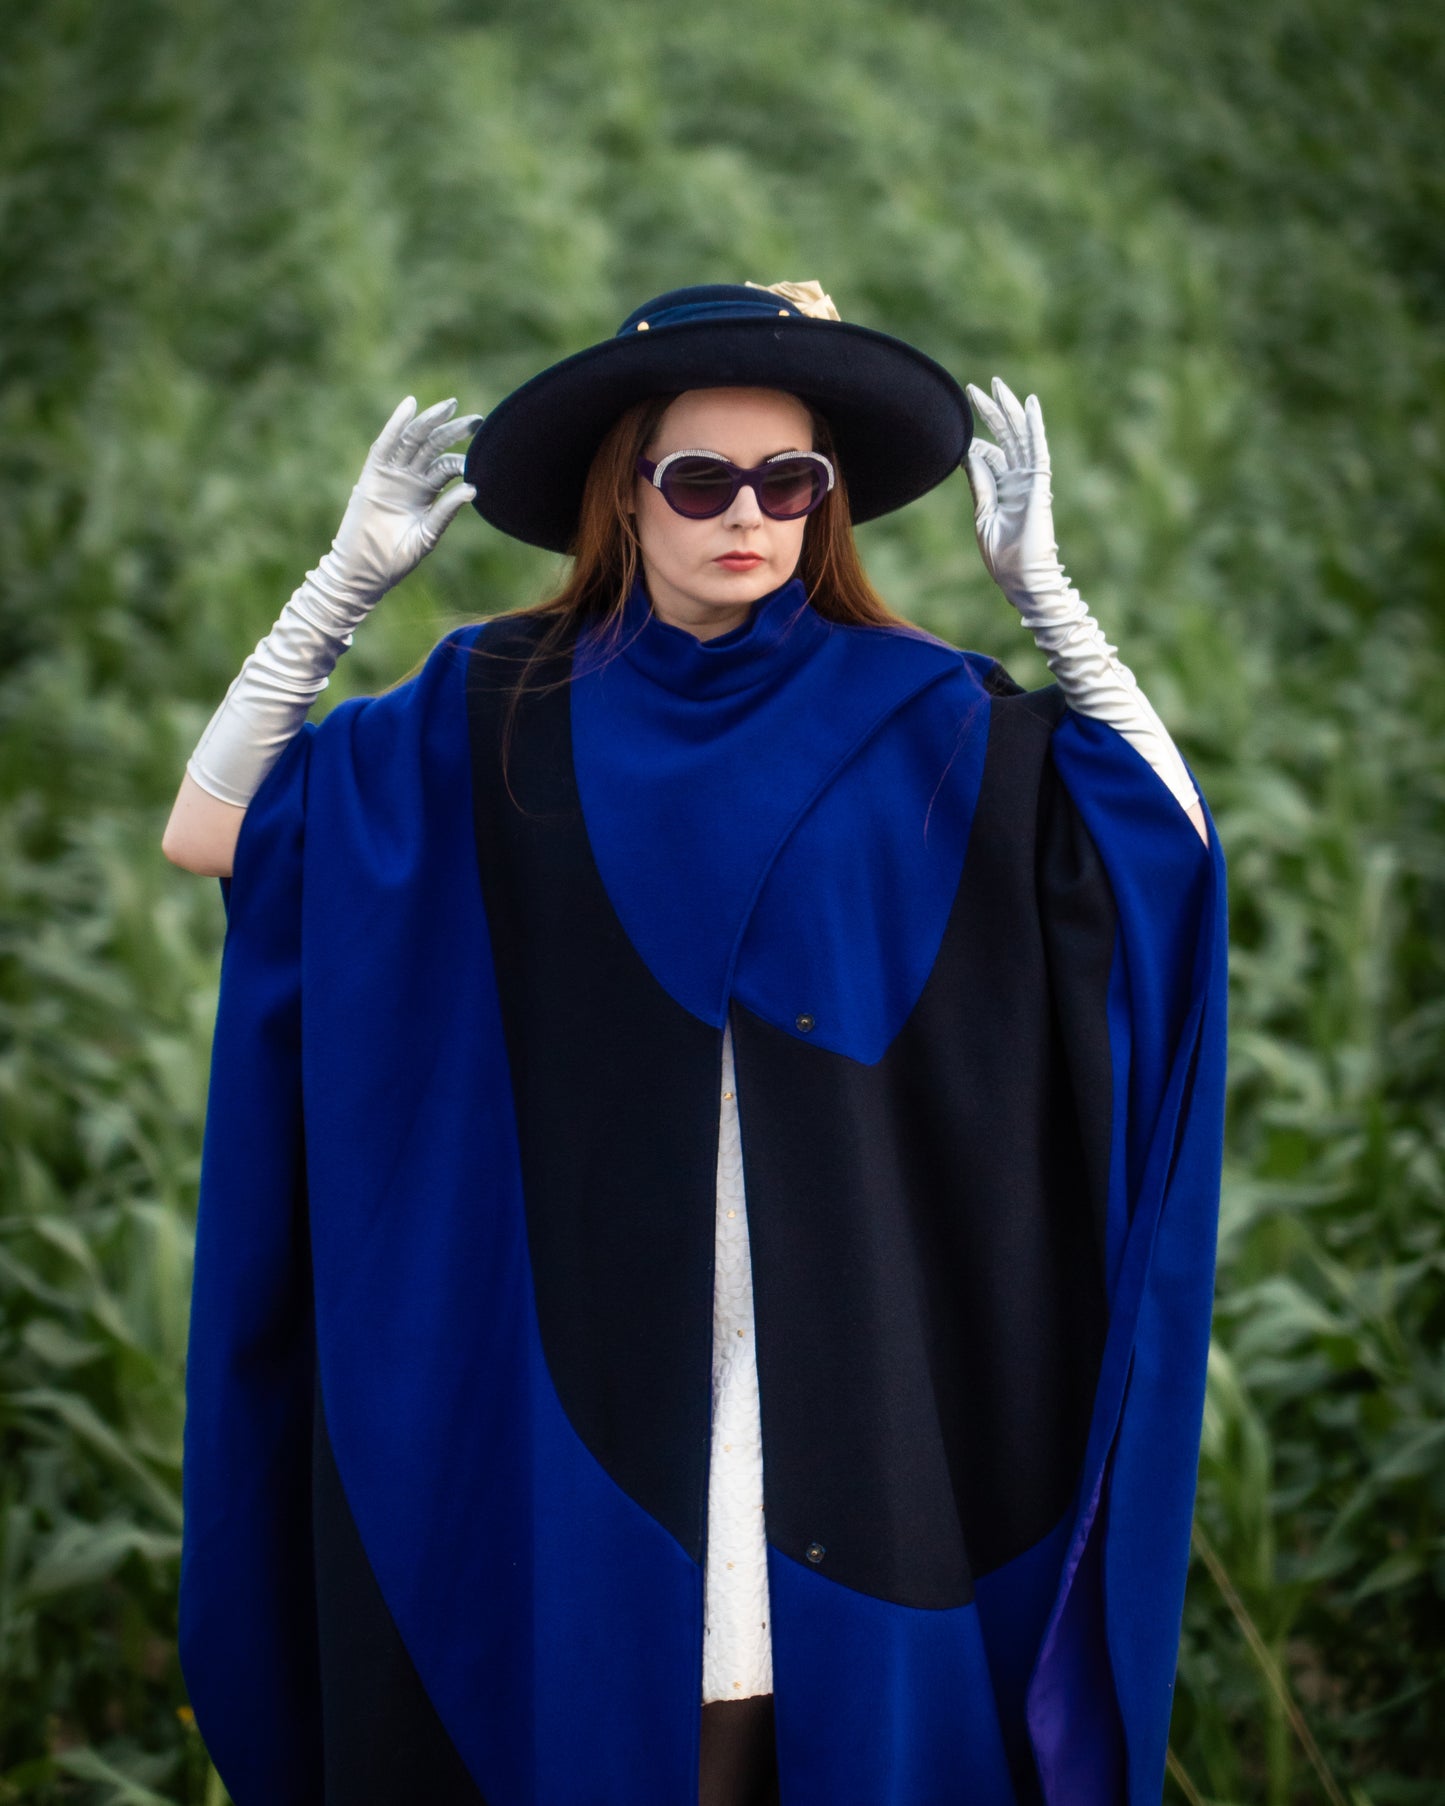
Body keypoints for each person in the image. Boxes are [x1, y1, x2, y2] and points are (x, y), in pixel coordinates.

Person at [163, 281, 1227, 1806]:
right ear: (626, 492)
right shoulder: (494, 704)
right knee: (605, 1711)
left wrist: (1047, 600)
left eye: (788, 483)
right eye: (702, 479)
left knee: (792, 1709)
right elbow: (213, 831)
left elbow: (1162, 858)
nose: (750, 514)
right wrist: (337, 588)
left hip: (835, 1343)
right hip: (581, 1349)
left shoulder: (918, 713)